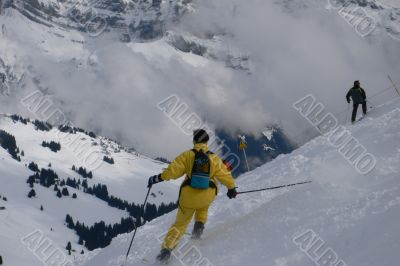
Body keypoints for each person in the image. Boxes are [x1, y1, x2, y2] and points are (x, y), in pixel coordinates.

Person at [148, 129, 238, 263]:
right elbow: (225, 175)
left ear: (194, 141)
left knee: (180, 225)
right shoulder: (214, 158)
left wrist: (157, 178)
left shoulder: (187, 155)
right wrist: (232, 189)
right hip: (207, 195)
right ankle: (197, 234)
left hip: (188, 198)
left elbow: (172, 172)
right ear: (207, 142)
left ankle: (165, 254)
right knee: (203, 208)